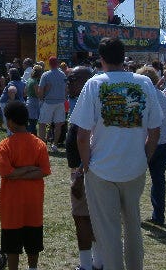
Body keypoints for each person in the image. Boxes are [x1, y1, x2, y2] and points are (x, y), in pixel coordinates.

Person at [70, 37, 162, 270]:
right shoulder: (144, 83)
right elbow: (155, 130)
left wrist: (86, 164)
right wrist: (145, 157)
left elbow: (82, 134)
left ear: (100, 59)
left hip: (101, 168)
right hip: (134, 166)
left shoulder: (94, 84)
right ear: (124, 57)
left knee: (108, 231)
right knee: (133, 225)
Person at [0, 101, 51, 270]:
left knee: (12, 245)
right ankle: (32, 268)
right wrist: (28, 169)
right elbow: (42, 171)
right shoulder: (39, 144)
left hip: (11, 204)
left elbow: (7, 172)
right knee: (33, 242)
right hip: (33, 202)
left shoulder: (5, 145)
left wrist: (17, 172)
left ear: (11, 121)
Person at [65, 66, 102, 270]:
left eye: (73, 80)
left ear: (85, 80)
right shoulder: (85, 101)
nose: (68, 84)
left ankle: (88, 265)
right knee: (91, 217)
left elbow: (89, 140)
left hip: (85, 169)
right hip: (84, 168)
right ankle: (98, 262)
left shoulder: (90, 102)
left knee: (82, 217)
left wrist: (80, 173)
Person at [137, 65, 166, 227]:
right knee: (159, 180)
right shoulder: (163, 96)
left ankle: (133, 212)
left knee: (136, 179)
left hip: (148, 142)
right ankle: (159, 214)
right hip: (165, 141)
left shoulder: (142, 97)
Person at [37, 56, 67, 152]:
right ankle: (54, 144)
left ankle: (42, 144)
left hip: (49, 101)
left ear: (49, 64)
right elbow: (66, 89)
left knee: (42, 123)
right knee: (58, 124)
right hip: (60, 101)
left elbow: (41, 90)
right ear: (57, 63)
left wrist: (41, 99)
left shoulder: (46, 75)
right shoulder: (63, 75)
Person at [25, 65, 43, 134]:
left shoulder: (29, 80)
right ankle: (32, 136)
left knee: (30, 120)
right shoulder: (35, 82)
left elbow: (25, 91)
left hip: (28, 100)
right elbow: (37, 94)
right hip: (34, 102)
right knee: (33, 122)